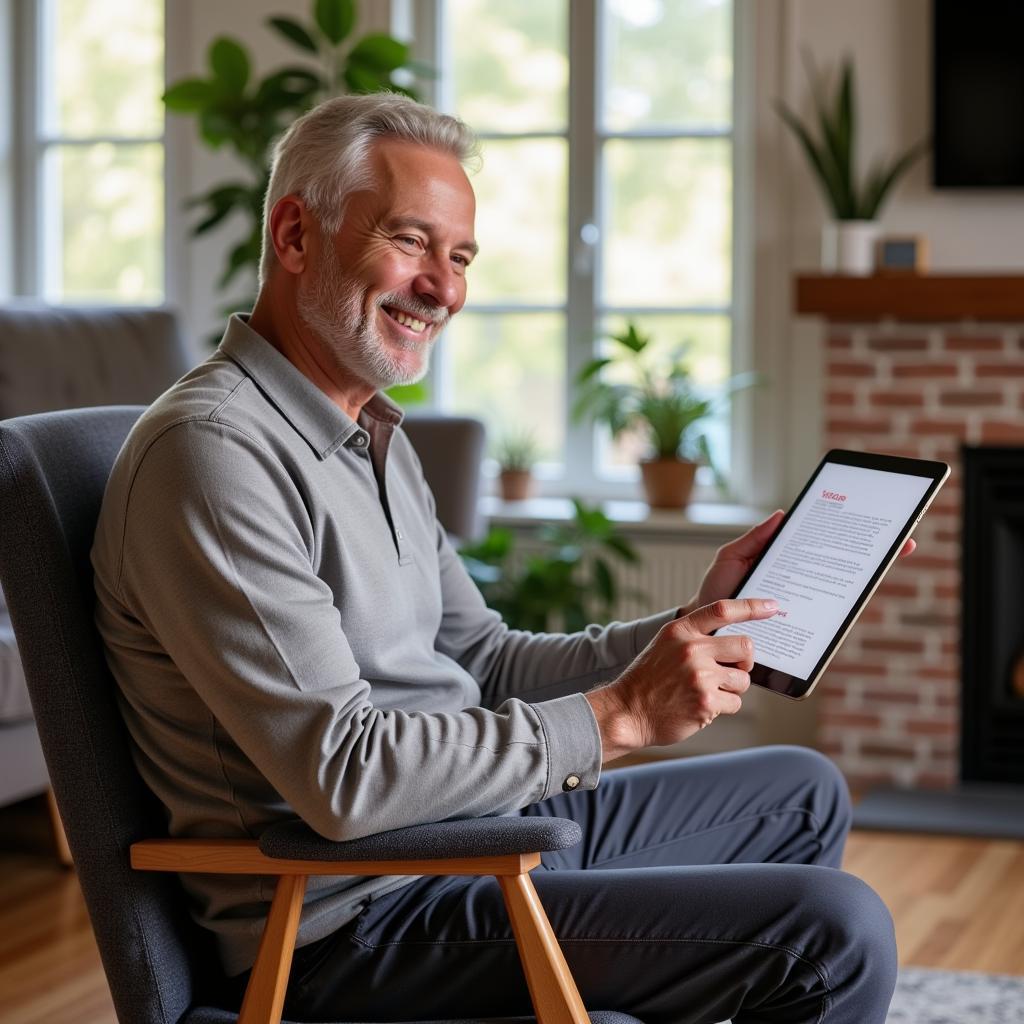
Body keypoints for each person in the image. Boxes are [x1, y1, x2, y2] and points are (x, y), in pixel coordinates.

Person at [92, 93, 900, 1023]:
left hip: (476, 841)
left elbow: (482, 662)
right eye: (410, 241)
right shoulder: (216, 454)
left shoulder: (370, 434)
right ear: (294, 234)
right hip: (351, 922)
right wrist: (619, 716)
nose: (445, 288)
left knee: (801, 792)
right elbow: (345, 775)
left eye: (461, 256)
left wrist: (689, 626)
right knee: (830, 931)